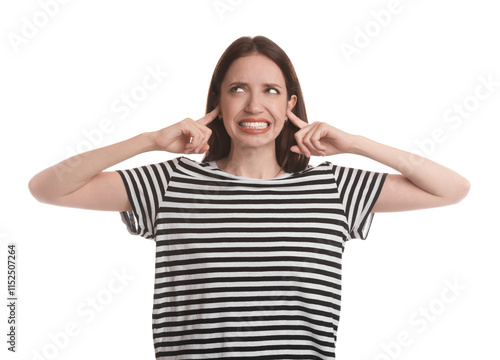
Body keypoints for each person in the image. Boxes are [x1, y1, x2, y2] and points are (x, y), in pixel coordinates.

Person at [29, 36, 470, 359]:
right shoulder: (169, 183)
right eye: (238, 89)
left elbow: (452, 189)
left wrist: (356, 143)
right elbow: (47, 188)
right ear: (217, 103)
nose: (254, 106)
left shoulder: (333, 188)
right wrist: (149, 141)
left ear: (290, 104)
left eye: (271, 91)